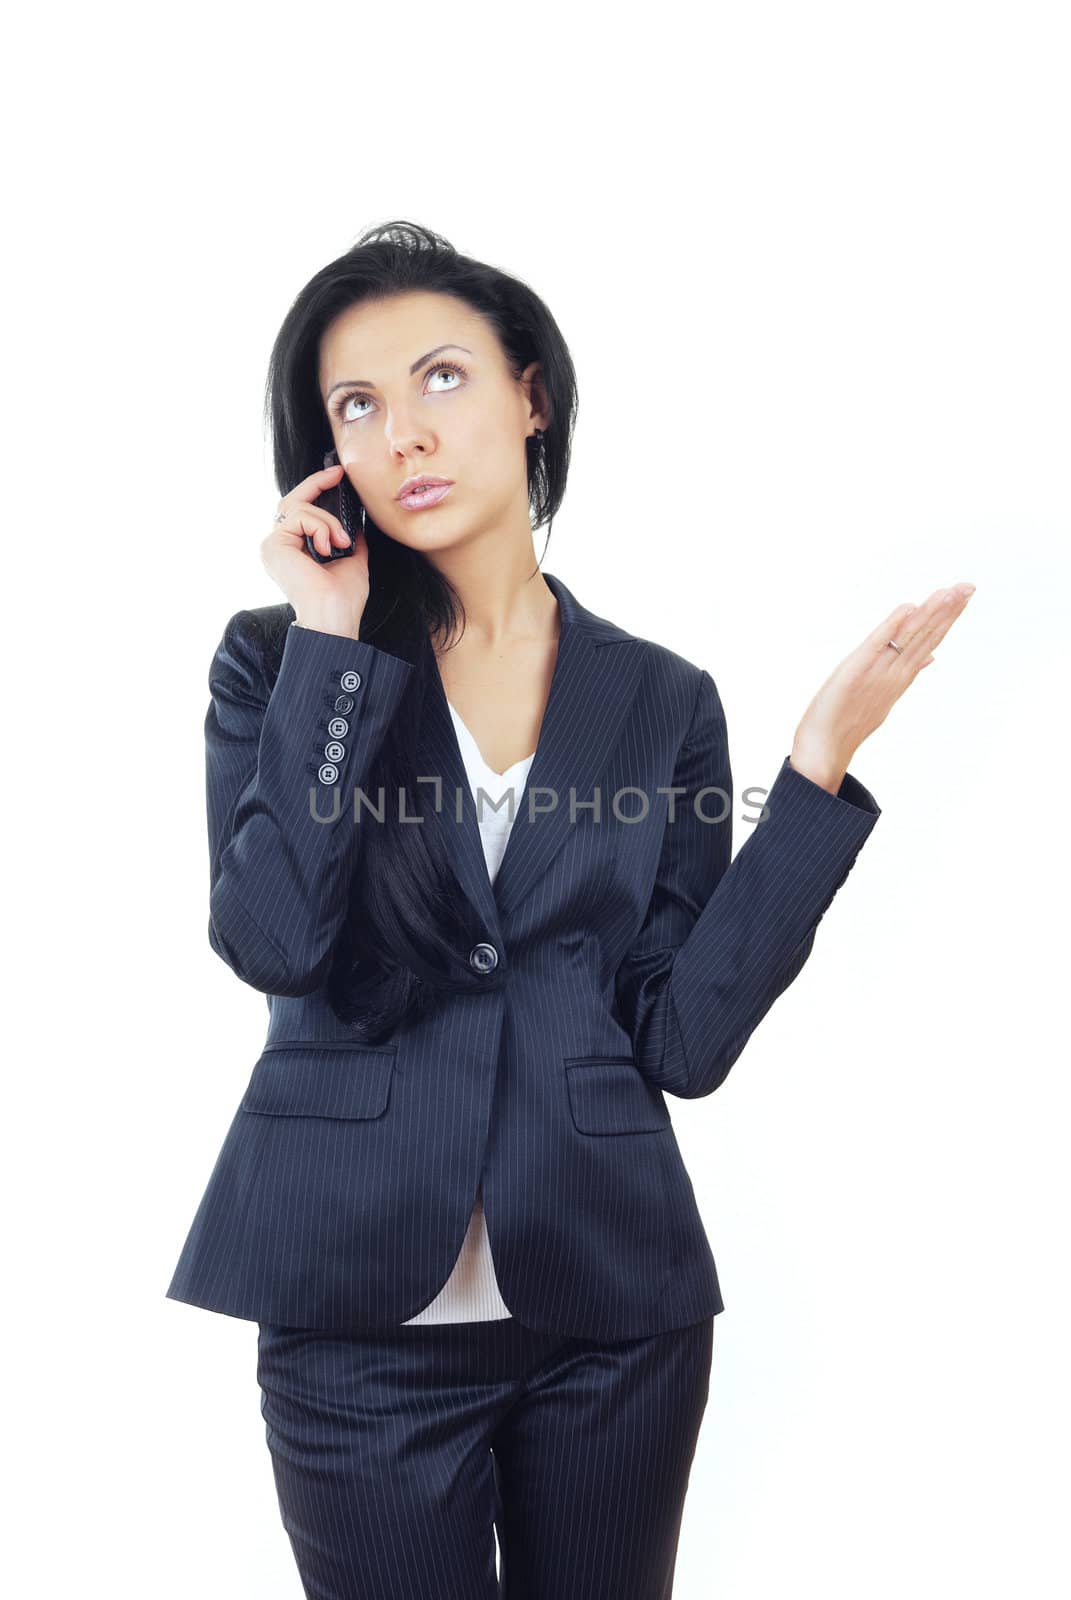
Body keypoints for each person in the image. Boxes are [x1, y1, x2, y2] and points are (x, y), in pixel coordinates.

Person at [165, 220, 975, 1599]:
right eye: (356, 405)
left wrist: (817, 768)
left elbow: (682, 1039)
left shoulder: (660, 700)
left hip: (613, 1314)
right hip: (356, 1317)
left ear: (530, 395)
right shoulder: (289, 661)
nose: (402, 434)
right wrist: (329, 640)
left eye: (440, 380)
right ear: (326, 453)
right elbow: (273, 940)